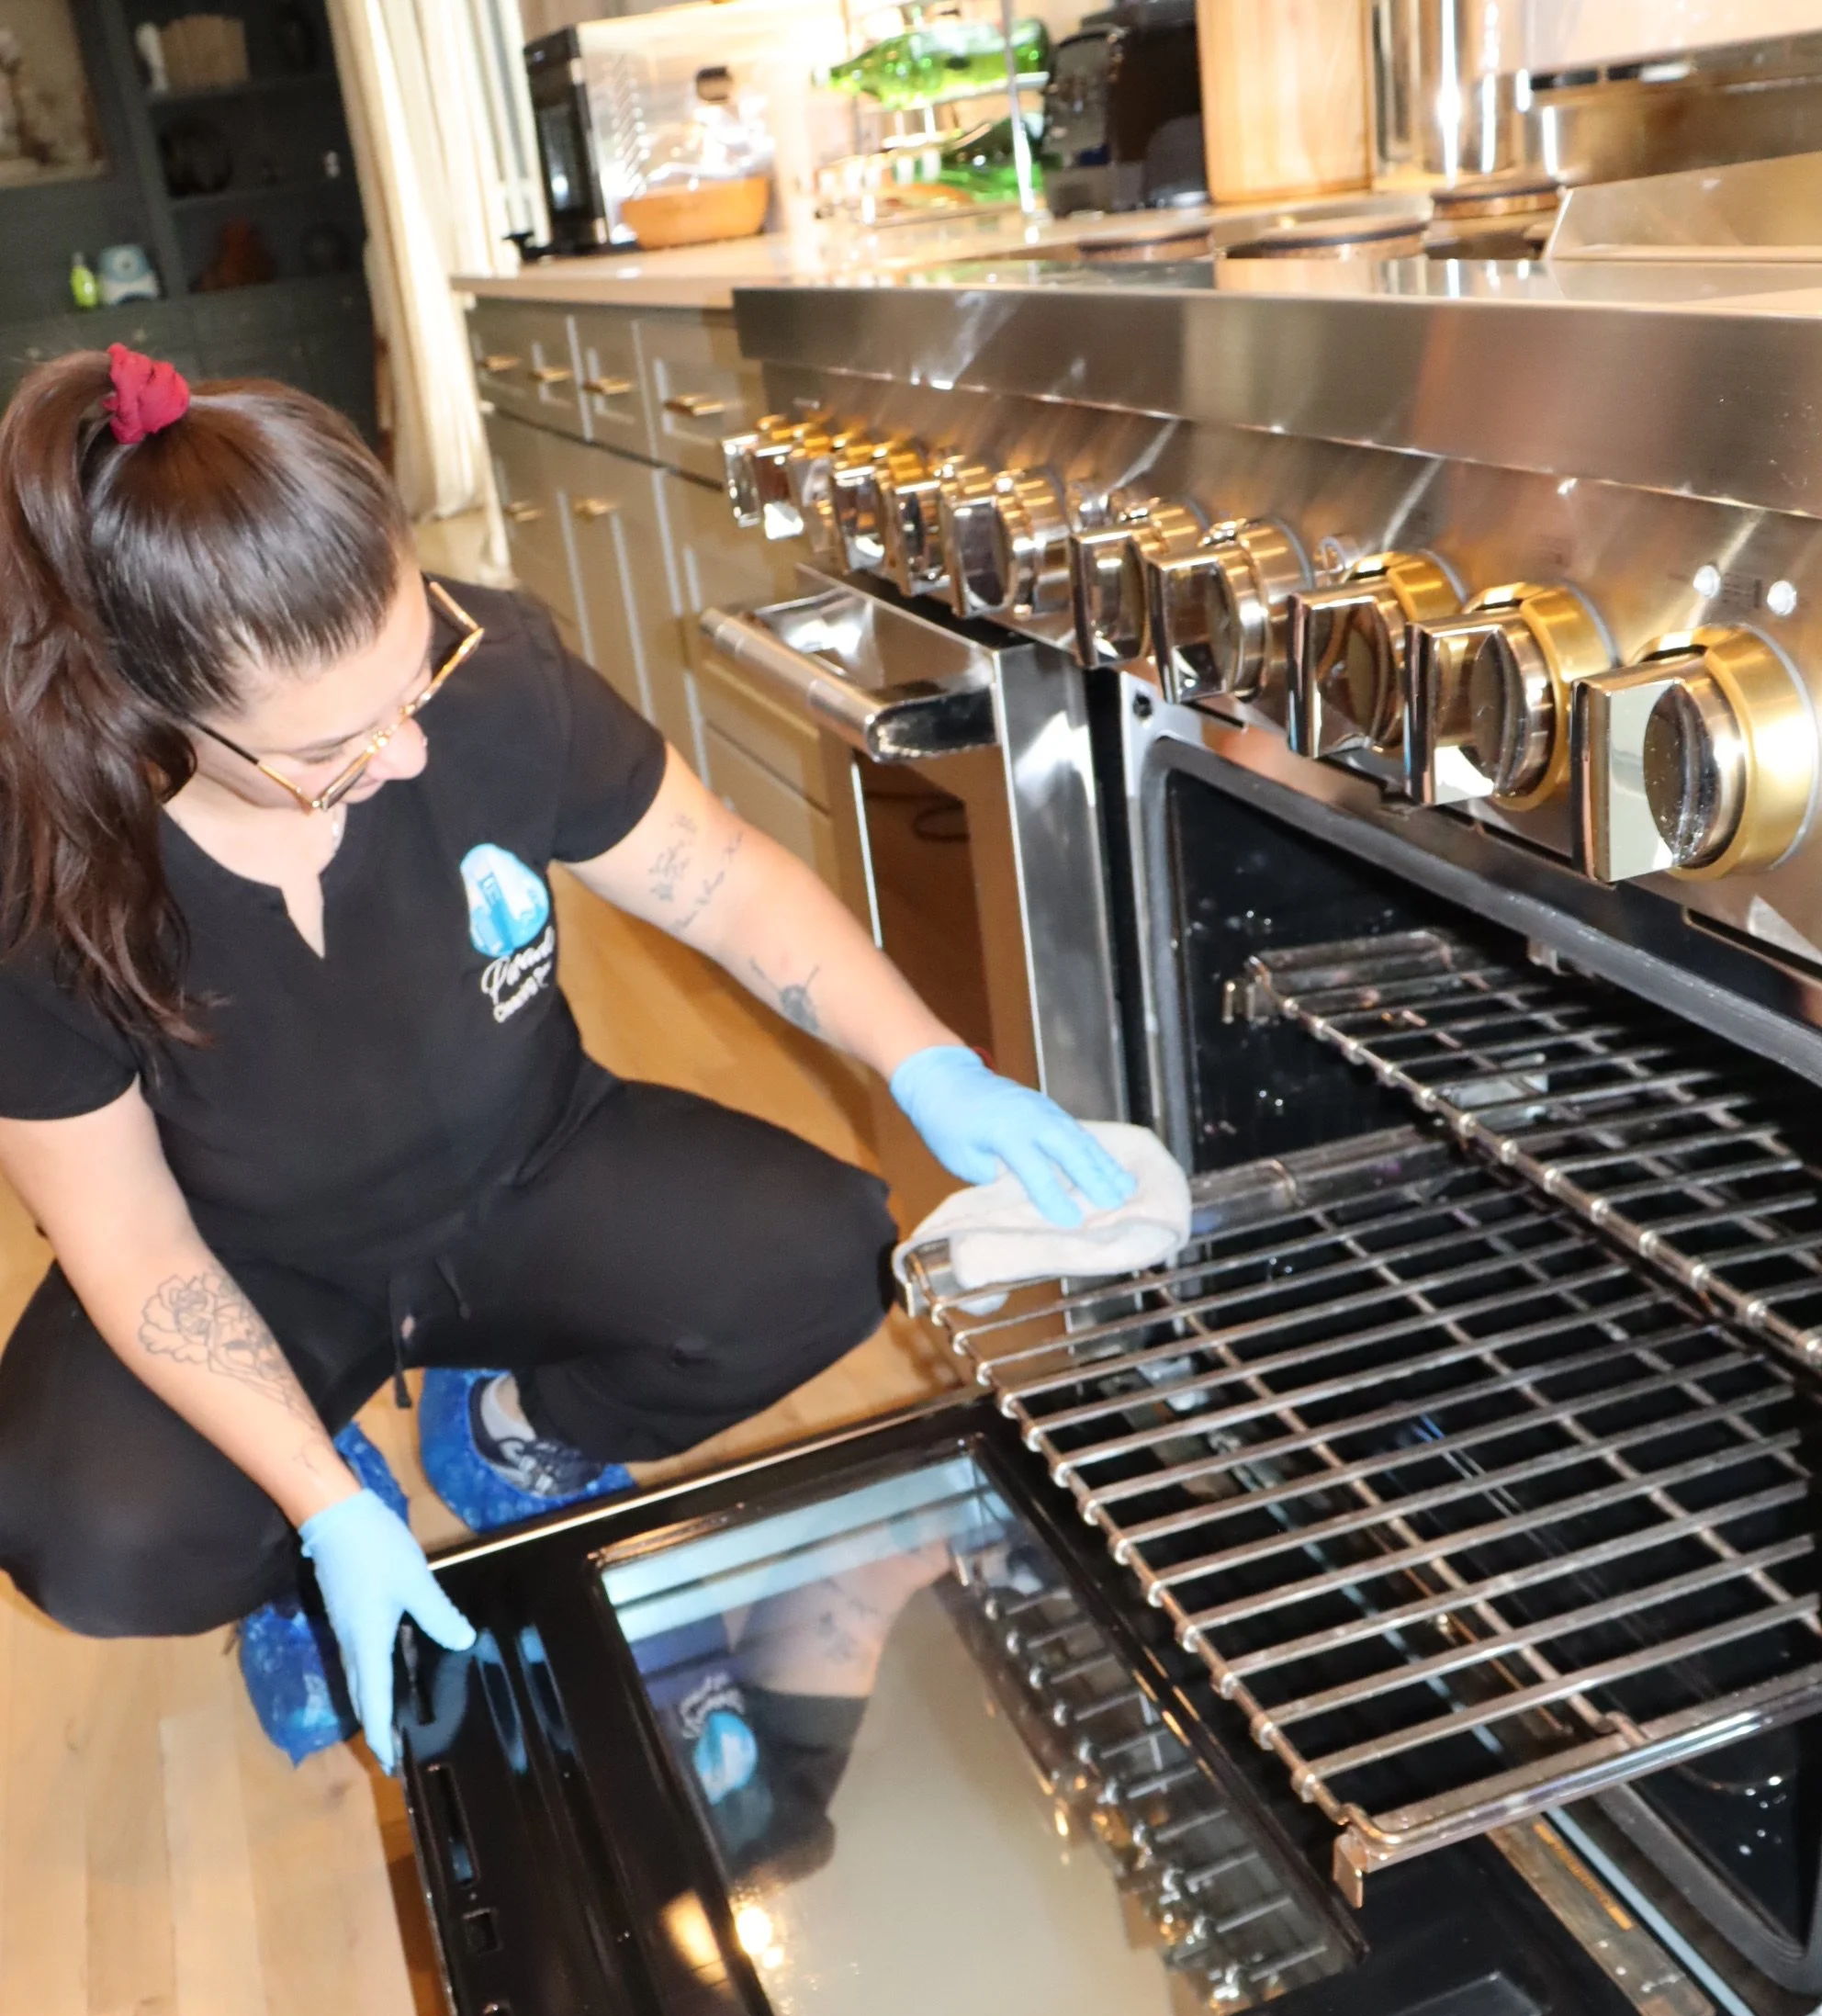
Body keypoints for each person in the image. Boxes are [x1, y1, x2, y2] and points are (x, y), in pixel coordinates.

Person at [0, 344, 1133, 1771]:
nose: (411, 752)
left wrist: (927, 1063)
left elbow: (715, 878)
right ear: (148, 714)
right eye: (338, 744)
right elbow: (133, 1240)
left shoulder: (498, 674)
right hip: (246, 1261)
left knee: (826, 1254)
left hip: (528, 1163)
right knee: (92, 1538)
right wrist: (329, 1511)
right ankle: (305, 1506)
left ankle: (513, 1429)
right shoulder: (41, 876)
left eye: (419, 672)